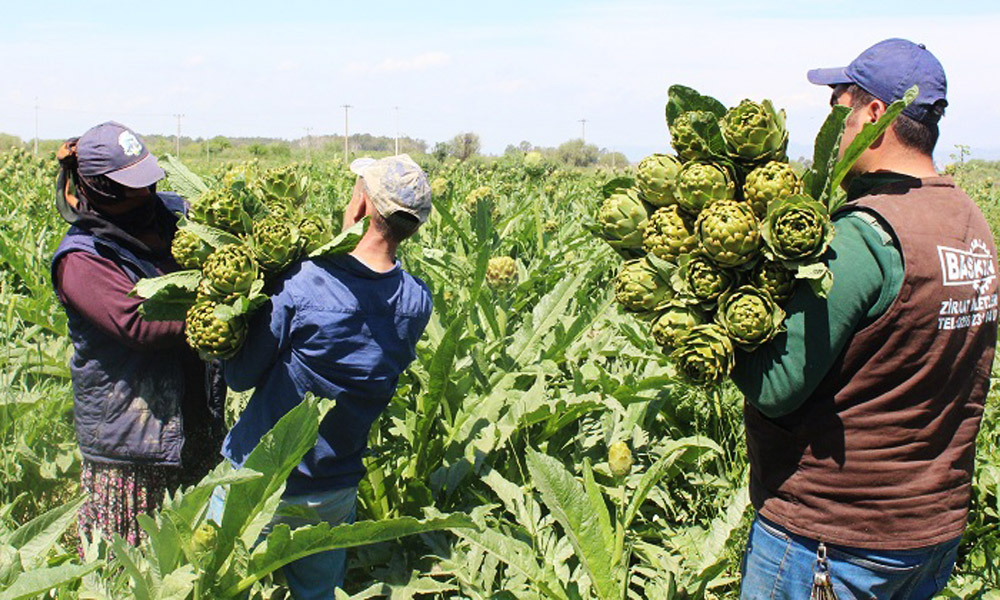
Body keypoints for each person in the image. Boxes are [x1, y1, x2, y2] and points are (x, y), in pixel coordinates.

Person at [732, 38, 998, 599]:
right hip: (928, 531)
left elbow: (777, 386)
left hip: (833, 539)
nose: (836, 128)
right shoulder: (969, 221)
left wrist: (717, 321)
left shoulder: (865, 233)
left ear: (876, 113)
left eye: (841, 108)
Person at [214, 154, 433, 597]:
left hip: (257, 481)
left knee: (217, 584)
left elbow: (240, 377)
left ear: (361, 208)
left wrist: (237, 312)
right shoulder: (417, 301)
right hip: (334, 487)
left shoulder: (302, 282)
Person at [50, 121, 225, 546]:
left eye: (148, 182)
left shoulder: (175, 214)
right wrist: (227, 301)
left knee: (198, 559)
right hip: (132, 439)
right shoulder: (80, 258)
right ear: (100, 189)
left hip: (195, 418)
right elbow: (139, 322)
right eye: (132, 188)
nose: (146, 195)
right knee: (136, 567)